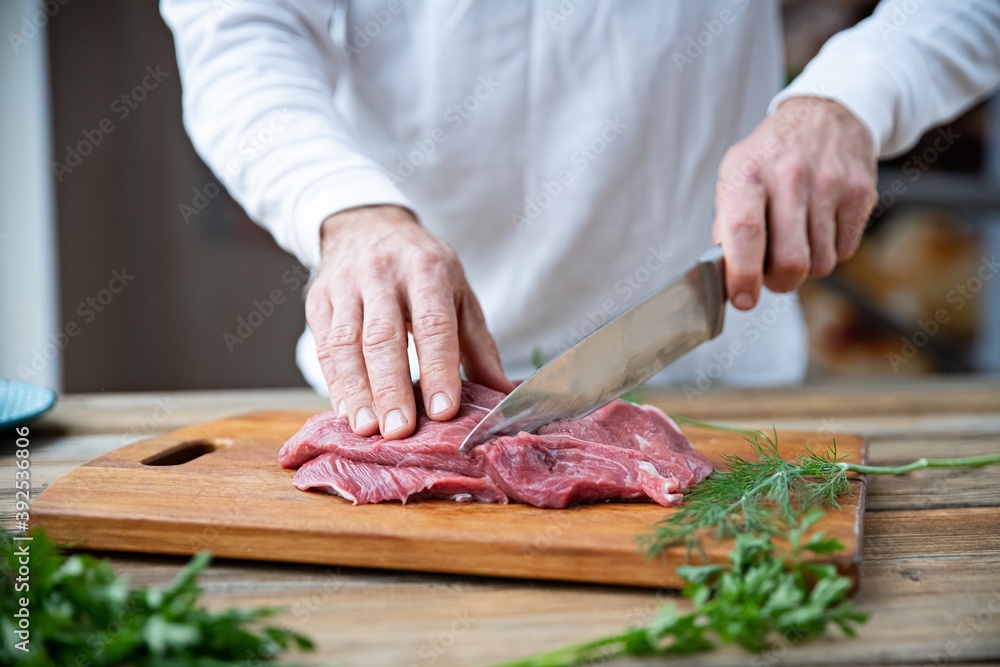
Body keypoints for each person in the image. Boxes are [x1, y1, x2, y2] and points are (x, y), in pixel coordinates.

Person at [162, 0, 1000, 440]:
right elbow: (236, 27)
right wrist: (343, 206)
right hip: (401, 397)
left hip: (725, 399)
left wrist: (850, 97)